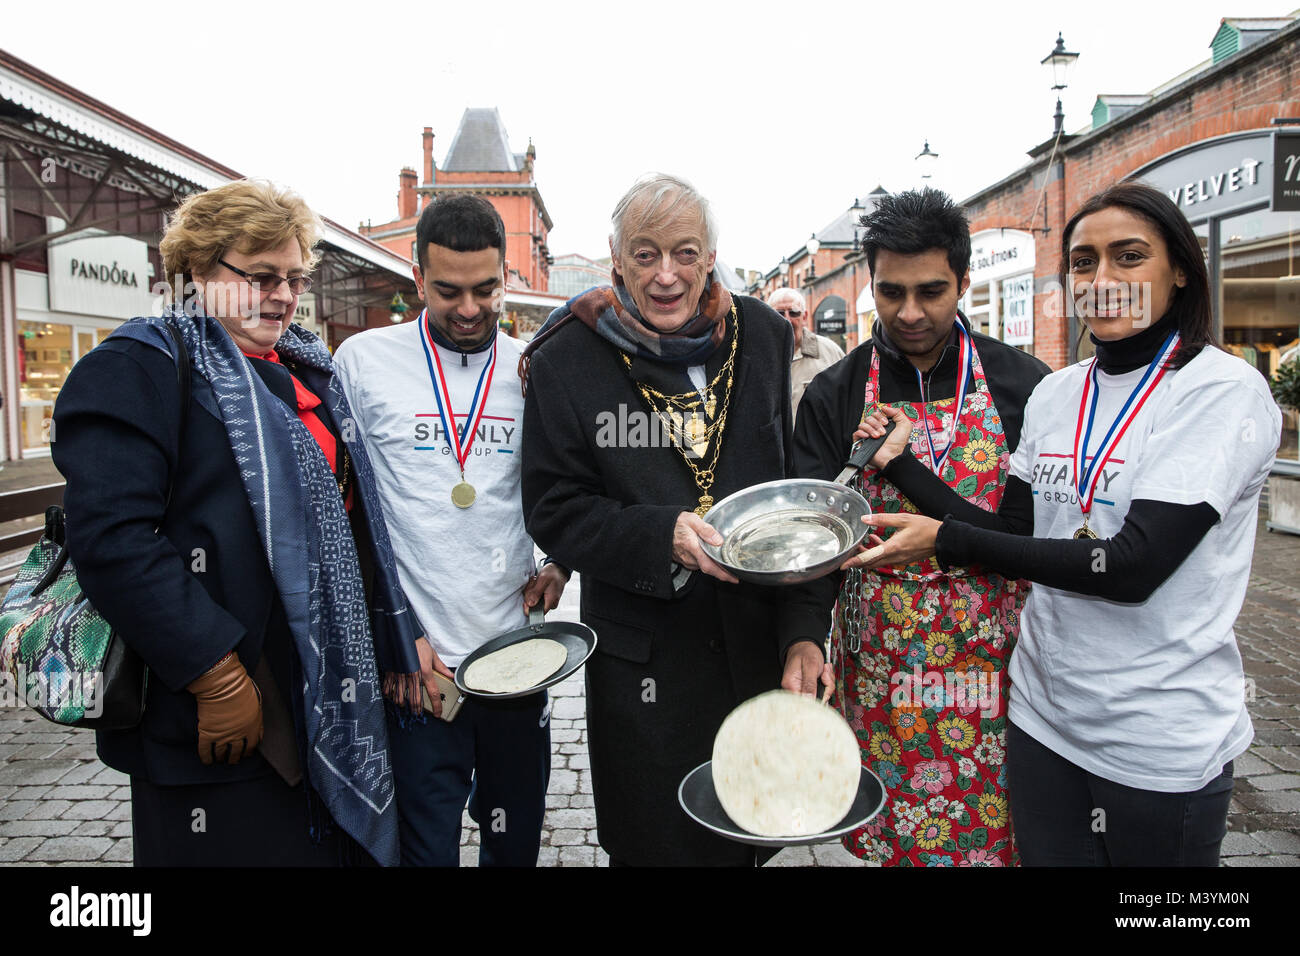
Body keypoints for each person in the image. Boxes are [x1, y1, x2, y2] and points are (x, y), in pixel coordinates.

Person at [851, 181, 1281, 866]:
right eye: (1083, 262)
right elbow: (1015, 538)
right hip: (1045, 718)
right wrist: (903, 467)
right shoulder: (1058, 392)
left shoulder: (1219, 392)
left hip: (1155, 735)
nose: (1102, 279)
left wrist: (946, 542)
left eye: (1129, 256)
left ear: (1180, 271)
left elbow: (1133, 568)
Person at [50, 179, 423, 866]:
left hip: (323, 696)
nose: (282, 295)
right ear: (197, 272)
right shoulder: (142, 364)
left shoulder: (307, 368)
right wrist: (212, 672)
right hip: (220, 712)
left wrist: (397, 635)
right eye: (259, 277)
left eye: (293, 278)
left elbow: (352, 523)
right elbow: (112, 539)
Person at [519, 173, 811, 866]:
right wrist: (660, 536)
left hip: (750, 647)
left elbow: (790, 492)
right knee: (658, 845)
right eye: (645, 255)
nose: (666, 276)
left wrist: (803, 630)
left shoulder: (764, 334)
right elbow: (553, 508)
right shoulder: (567, 358)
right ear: (615, 259)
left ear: (711, 255)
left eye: (685, 252)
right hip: (645, 668)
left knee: (749, 835)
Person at [780, 187, 1050, 867]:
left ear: (964, 280)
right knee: (895, 844)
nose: (909, 312)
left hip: (999, 674)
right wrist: (806, 637)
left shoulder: (1023, 387)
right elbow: (812, 534)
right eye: (890, 291)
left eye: (931, 291)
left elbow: (1033, 541)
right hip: (882, 675)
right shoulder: (834, 392)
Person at [333, 194, 568, 867]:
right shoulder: (363, 362)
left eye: (486, 290)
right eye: (448, 291)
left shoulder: (533, 369)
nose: (469, 309)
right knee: (423, 854)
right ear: (418, 280)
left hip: (515, 665)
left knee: (511, 849)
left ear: (507, 278)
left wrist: (560, 562)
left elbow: (568, 483)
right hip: (418, 669)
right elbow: (346, 514)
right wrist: (390, 635)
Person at [768, 286, 845, 416]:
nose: (787, 319)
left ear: (804, 317)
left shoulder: (830, 352)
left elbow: (849, 398)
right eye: (779, 313)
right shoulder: (757, 356)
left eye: (794, 312)